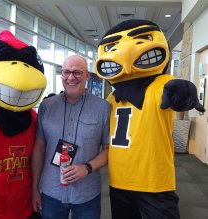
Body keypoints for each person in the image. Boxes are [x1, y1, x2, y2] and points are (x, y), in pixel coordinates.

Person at [94, 19, 204, 219]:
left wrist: (184, 93)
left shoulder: (161, 83)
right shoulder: (111, 97)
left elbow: (176, 91)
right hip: (119, 180)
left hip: (154, 181)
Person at [31, 54, 110, 219]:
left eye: (77, 72)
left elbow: (108, 150)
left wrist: (87, 168)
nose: (71, 77)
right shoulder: (47, 106)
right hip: (51, 191)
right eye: (66, 72)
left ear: (88, 75)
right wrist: (34, 189)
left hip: (86, 193)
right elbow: (39, 148)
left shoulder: (103, 108)